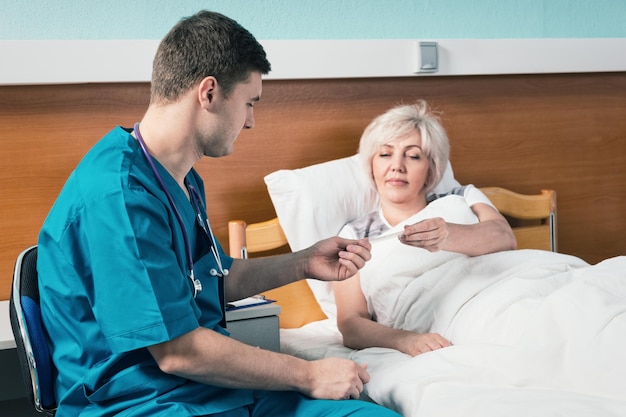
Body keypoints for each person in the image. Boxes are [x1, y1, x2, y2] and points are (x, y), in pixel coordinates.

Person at [37, 10, 402, 417]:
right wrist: (308, 374)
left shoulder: (182, 179)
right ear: (209, 93)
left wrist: (303, 263)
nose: (250, 121)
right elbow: (178, 352)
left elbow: (209, 278)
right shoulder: (119, 198)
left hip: (209, 391)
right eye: (248, 103)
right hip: (142, 402)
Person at [333, 101, 516, 357]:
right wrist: (406, 341)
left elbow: (504, 237)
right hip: (450, 321)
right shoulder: (354, 236)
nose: (397, 165)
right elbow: (351, 325)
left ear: (431, 168)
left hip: (504, 293)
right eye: (385, 154)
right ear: (371, 165)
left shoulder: (460, 198)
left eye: (413, 155)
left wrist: (448, 235)